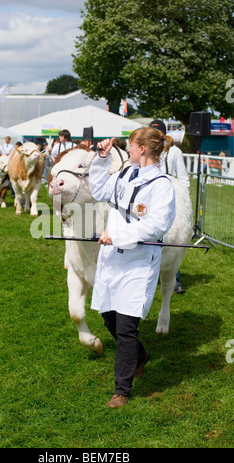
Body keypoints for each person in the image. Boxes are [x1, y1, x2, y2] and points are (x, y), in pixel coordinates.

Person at [89, 128, 176, 409]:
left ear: (143, 149)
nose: (127, 150)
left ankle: (121, 390)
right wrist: (102, 160)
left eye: (130, 146)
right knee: (108, 317)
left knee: (127, 327)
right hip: (113, 258)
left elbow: (158, 224)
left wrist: (121, 234)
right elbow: (100, 190)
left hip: (138, 262)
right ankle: (141, 356)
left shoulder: (161, 185)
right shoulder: (126, 173)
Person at [149, 119, 189, 294]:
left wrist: (183, 200)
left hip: (170, 194)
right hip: (150, 195)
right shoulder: (147, 151)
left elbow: (183, 177)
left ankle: (174, 279)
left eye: (158, 133)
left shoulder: (174, 152)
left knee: (173, 237)